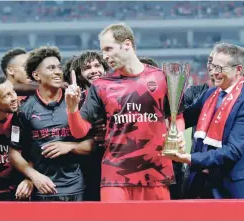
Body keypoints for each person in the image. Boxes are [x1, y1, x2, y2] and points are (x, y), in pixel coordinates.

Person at [65, 23, 185, 201]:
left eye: (108, 49)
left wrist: (179, 134)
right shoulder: (101, 86)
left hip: (156, 173)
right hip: (115, 176)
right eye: (103, 50)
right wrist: (72, 109)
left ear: (127, 44)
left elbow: (177, 116)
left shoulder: (161, 77)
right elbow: (79, 131)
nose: (105, 56)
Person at [170, 42, 244, 199]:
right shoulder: (211, 94)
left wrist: (190, 158)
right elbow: (184, 116)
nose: (214, 73)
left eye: (220, 68)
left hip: (236, 187)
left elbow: (232, 151)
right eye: (212, 67)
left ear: (238, 69)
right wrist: (170, 119)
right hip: (203, 183)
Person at [10, 46, 94, 201]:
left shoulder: (78, 102)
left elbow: (93, 144)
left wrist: (70, 146)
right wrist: (32, 175)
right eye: (51, 68)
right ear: (36, 75)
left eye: (59, 67)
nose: (58, 72)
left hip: (75, 187)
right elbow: (14, 152)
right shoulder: (23, 109)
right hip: (42, 189)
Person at [68, 51, 109, 201]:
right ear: (79, 75)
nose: (94, 71)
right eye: (87, 68)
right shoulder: (75, 99)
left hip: (117, 162)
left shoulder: (117, 93)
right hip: (89, 165)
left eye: (97, 65)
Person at [181, 50, 216, 198]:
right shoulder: (196, 93)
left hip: (225, 166)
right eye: (211, 63)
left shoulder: (243, 98)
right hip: (196, 163)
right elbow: (181, 118)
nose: (213, 68)